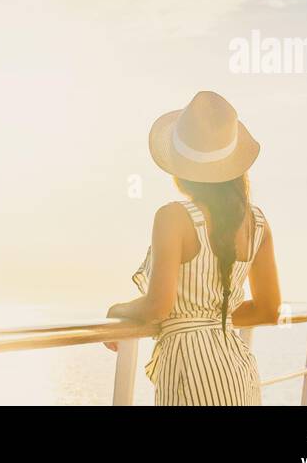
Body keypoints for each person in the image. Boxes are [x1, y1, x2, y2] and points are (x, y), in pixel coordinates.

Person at [105, 91, 282, 406]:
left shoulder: (173, 218)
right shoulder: (257, 223)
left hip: (191, 368)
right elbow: (268, 310)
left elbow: (159, 305)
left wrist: (117, 312)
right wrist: (216, 317)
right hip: (237, 369)